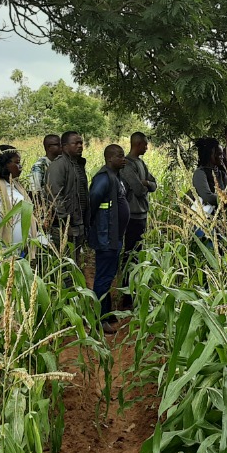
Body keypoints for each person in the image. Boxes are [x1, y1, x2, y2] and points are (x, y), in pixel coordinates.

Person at [88, 144, 129, 335]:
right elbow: (94, 198)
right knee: (103, 278)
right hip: (106, 237)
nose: (124, 159)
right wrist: (93, 224)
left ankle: (108, 313)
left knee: (108, 276)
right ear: (109, 158)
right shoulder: (103, 178)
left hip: (114, 236)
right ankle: (99, 320)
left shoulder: (116, 177)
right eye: (120, 156)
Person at [119, 131, 158, 281]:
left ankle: (133, 285)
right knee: (130, 252)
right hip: (132, 215)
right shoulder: (127, 165)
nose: (147, 148)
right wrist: (144, 185)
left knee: (137, 251)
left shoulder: (141, 163)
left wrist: (147, 183)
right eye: (145, 144)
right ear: (138, 144)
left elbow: (153, 184)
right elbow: (139, 190)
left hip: (141, 214)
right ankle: (126, 286)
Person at [45, 130, 88, 262]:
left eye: (81, 143)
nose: (80, 146)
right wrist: (64, 222)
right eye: (76, 143)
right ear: (64, 146)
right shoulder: (58, 165)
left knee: (75, 260)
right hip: (66, 226)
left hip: (79, 223)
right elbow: (54, 196)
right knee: (66, 263)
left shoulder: (78, 164)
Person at [191, 136, 227, 248]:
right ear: (209, 155)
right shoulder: (200, 173)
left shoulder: (221, 173)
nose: (221, 157)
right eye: (218, 154)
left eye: (222, 154)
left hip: (221, 220)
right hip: (204, 220)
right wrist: (226, 199)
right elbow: (207, 197)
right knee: (210, 251)